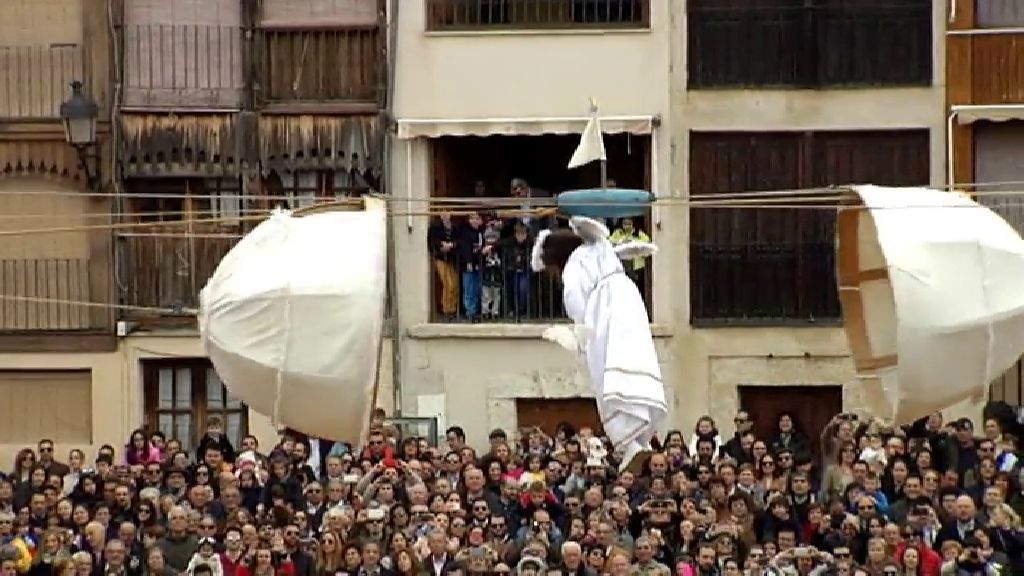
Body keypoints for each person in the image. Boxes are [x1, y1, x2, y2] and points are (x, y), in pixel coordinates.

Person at [530, 216, 667, 472]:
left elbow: (576, 304)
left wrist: (581, 339)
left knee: (605, 375)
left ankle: (629, 442)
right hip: (630, 303)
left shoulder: (573, 266)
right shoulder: (598, 249)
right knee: (631, 362)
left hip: (604, 312)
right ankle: (638, 437)